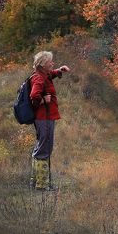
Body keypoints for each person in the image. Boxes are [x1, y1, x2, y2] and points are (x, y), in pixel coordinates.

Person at [30, 51, 70, 190]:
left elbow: (50, 75)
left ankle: (35, 181)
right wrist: (43, 100)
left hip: (43, 118)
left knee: (40, 147)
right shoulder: (39, 78)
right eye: (50, 62)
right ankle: (42, 185)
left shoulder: (42, 74)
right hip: (44, 118)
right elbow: (34, 96)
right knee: (44, 149)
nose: (52, 63)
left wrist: (59, 71)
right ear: (43, 64)